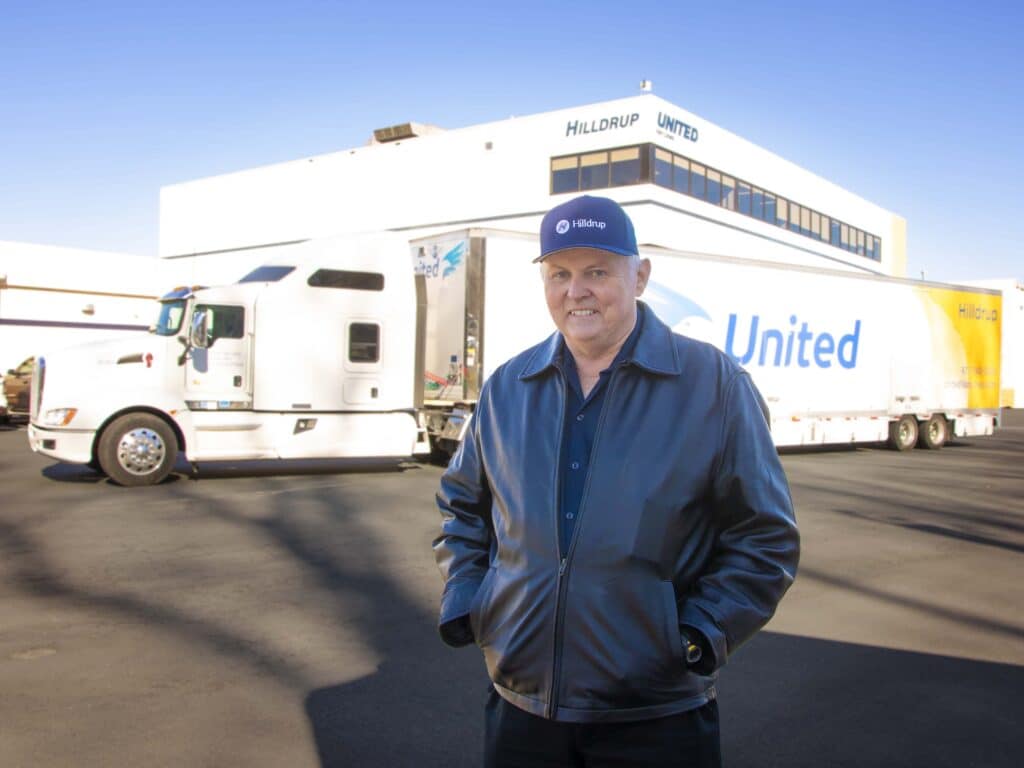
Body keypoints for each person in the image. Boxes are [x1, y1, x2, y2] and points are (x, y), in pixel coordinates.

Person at [433, 194, 799, 767]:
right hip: (522, 710)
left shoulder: (712, 384)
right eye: (559, 273)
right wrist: (472, 601)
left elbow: (765, 536)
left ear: (640, 277)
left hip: (656, 716)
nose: (575, 291)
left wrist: (700, 632)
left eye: (597, 272)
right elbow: (464, 508)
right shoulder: (508, 387)